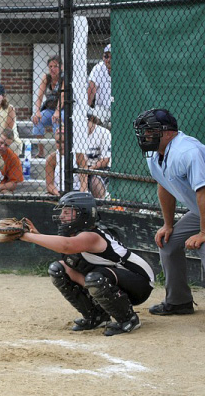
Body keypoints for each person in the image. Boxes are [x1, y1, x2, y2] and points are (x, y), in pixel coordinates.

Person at [20, 192, 155, 336]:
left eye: (67, 212)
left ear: (82, 214)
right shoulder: (76, 235)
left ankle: (128, 319)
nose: (61, 216)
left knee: (95, 278)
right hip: (115, 280)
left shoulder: (91, 236)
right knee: (59, 269)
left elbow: (66, 246)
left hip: (140, 282)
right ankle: (96, 316)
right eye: (62, 212)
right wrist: (36, 235)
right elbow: (66, 247)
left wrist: (27, 236)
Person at [133, 108, 205, 315]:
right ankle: (178, 301)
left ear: (168, 132)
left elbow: (203, 193)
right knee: (168, 243)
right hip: (199, 210)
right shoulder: (155, 154)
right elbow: (164, 185)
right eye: (144, 132)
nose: (146, 136)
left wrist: (202, 233)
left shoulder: (188, 151)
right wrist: (168, 224)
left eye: (150, 131)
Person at [32, 55, 64, 158]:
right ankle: (41, 152)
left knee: (56, 120)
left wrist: (58, 111)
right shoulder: (46, 77)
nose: (52, 69)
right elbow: (39, 96)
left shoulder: (64, 78)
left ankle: (58, 153)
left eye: (55, 66)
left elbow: (62, 96)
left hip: (62, 109)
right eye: (50, 66)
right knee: (37, 120)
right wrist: (37, 111)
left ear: (61, 67)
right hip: (49, 109)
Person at [77, 113, 111, 198]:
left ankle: (100, 206)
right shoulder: (76, 134)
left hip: (98, 168)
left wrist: (89, 170)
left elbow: (105, 160)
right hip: (79, 167)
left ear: (91, 120)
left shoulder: (104, 133)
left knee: (95, 181)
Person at [45, 130, 84, 196]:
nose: (61, 145)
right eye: (58, 142)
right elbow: (49, 184)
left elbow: (84, 182)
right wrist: (58, 195)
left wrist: (81, 195)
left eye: (64, 142)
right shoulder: (51, 158)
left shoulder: (79, 156)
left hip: (76, 191)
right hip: (57, 192)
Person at [88, 45, 112, 129]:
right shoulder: (98, 68)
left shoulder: (124, 67)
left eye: (112, 56)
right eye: (106, 56)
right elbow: (91, 89)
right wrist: (85, 109)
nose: (108, 59)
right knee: (93, 120)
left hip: (122, 107)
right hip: (103, 108)